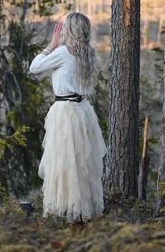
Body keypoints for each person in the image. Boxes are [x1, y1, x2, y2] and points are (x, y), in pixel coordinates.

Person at [29, 11, 106, 222]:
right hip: (82, 111)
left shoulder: (63, 52)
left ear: (68, 30)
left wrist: (51, 45)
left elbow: (34, 68)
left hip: (65, 113)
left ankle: (64, 210)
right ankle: (81, 210)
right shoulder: (88, 53)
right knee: (81, 163)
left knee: (63, 162)